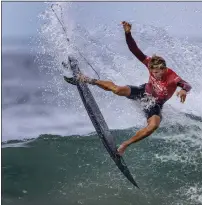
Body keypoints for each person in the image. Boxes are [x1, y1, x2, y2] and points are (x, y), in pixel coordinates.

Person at [70, 21, 192, 156]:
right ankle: (87, 79)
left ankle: (125, 145)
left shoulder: (171, 76)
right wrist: (128, 33)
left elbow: (185, 84)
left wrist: (183, 90)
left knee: (153, 126)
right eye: (153, 72)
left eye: (159, 72)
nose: (156, 75)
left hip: (155, 104)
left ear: (164, 69)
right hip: (143, 91)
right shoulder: (150, 63)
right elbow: (134, 50)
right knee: (117, 89)